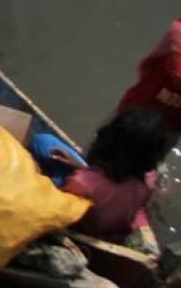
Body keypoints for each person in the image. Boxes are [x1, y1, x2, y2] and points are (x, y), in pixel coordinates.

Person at [27, 108, 170, 251]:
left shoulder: (81, 182)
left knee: (42, 142)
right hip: (111, 226)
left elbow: (58, 207)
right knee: (48, 145)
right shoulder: (149, 180)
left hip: (80, 228)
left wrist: (36, 172)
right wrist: (79, 167)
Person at [116, 19, 181, 138]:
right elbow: (178, 72)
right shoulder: (178, 33)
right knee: (105, 149)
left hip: (170, 127)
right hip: (138, 112)